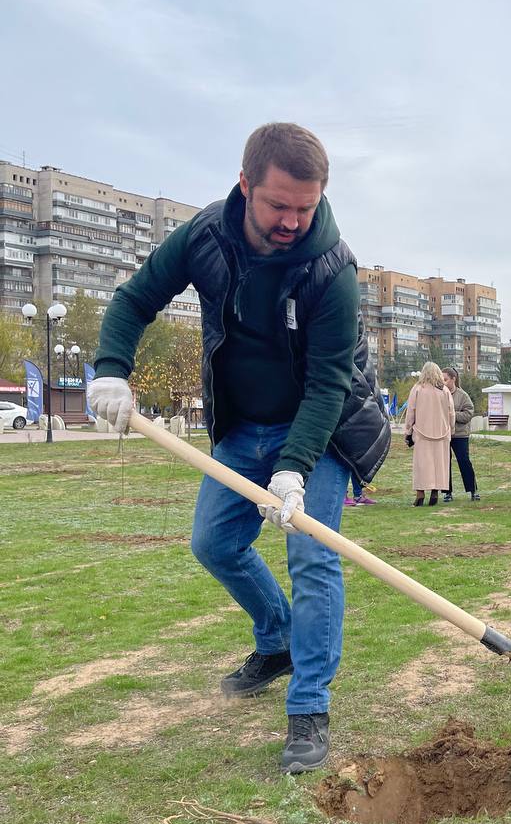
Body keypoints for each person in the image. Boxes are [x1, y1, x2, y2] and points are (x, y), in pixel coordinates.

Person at [87, 122, 390, 774]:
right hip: (242, 425)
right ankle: (276, 638)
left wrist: (293, 471)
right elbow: (135, 299)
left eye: (305, 208)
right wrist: (110, 368)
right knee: (213, 543)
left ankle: (308, 707)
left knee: (312, 558)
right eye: (279, 205)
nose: (292, 221)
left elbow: (328, 381)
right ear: (245, 183)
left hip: (320, 428)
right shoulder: (204, 236)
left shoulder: (330, 268)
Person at [406, 361, 455, 506]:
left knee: (422, 465)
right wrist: (450, 429)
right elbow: (451, 412)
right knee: (439, 464)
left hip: (422, 433)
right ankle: (435, 492)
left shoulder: (418, 388)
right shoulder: (444, 391)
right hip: (441, 433)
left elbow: (411, 411)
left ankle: (420, 494)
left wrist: (408, 431)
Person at [441, 367, 479, 502]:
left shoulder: (462, 395)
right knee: (445, 463)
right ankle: (447, 492)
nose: (443, 382)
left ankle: (473, 490)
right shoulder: (440, 394)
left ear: (453, 379)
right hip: (444, 435)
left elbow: (469, 413)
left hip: (460, 435)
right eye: (441, 380)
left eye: (445, 379)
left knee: (464, 461)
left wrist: (452, 415)